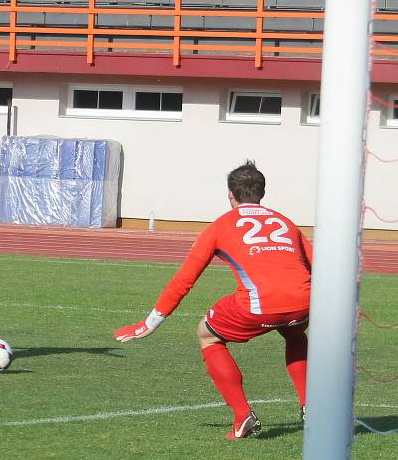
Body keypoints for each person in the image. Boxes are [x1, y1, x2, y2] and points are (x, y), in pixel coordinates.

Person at [114, 161, 312, 439]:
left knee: (207, 335)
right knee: (294, 331)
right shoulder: (286, 222)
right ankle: (310, 405)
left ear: (230, 193)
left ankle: (242, 415)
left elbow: (185, 279)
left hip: (259, 306)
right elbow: (319, 266)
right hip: (305, 302)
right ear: (262, 193)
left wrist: (150, 323)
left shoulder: (220, 227)